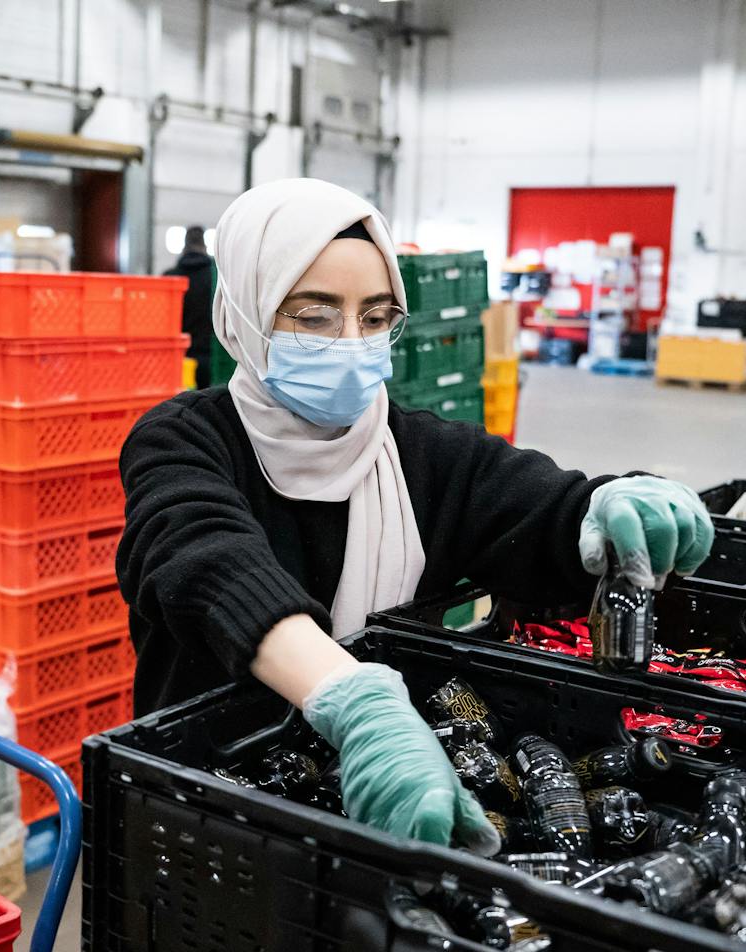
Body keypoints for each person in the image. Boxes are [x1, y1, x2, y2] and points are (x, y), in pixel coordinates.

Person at [116, 178, 714, 851]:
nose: (351, 343)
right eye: (314, 316)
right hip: (211, 796)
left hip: (401, 799)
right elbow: (204, 558)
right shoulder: (185, 439)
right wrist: (354, 700)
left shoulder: (422, 455)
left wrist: (608, 509)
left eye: (374, 318)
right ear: (244, 316)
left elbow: (540, 512)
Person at [164, 226, 217, 386]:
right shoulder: (216, 278)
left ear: (184, 247)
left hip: (177, 360)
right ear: (205, 247)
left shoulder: (169, 277)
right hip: (211, 360)